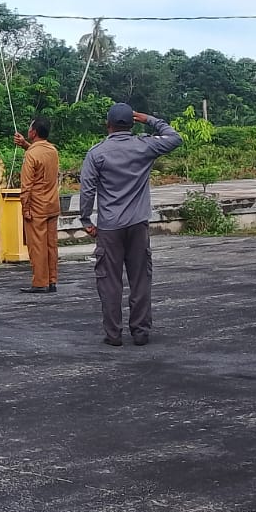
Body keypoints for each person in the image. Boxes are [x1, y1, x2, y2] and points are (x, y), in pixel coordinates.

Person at [78, 103, 182, 346]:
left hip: (110, 227)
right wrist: (149, 119)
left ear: (108, 125)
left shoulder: (97, 153)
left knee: (109, 280)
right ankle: (140, 331)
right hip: (138, 224)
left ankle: (113, 334)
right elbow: (174, 138)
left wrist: (86, 220)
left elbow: (87, 190)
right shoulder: (145, 146)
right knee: (140, 279)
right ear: (133, 123)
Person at [13, 116, 61, 293]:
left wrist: (25, 207)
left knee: (37, 247)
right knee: (51, 245)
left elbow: (26, 185)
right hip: (52, 205)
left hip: (37, 207)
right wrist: (26, 144)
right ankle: (52, 280)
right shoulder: (52, 150)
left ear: (33, 132)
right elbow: (41, 161)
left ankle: (40, 282)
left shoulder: (31, 154)